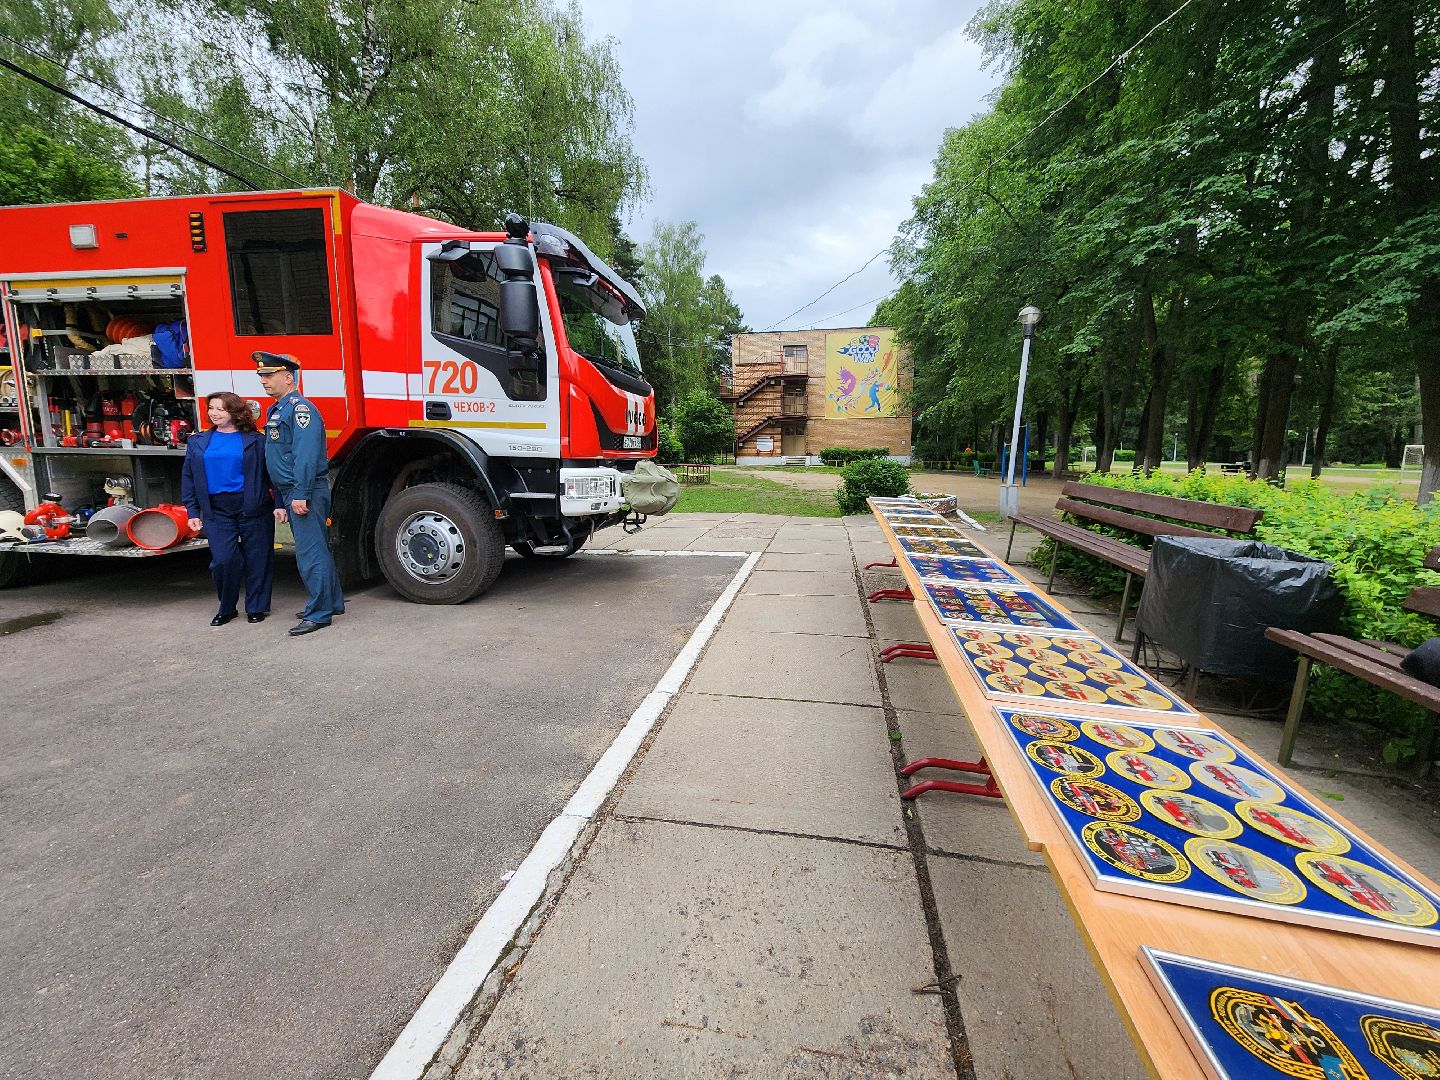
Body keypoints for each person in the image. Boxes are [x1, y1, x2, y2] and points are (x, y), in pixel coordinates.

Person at [253, 351, 345, 636]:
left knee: (309, 553)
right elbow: (279, 458)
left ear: (288, 378)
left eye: (269, 375)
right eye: (262, 376)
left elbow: (305, 457)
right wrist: (282, 498)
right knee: (316, 548)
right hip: (292, 490)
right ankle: (332, 603)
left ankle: (319, 613)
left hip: (305, 490)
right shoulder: (277, 409)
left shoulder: (300, 409)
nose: (264, 381)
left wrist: (300, 494)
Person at [180, 391, 275, 625]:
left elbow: (271, 475)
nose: (214, 413)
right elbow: (189, 478)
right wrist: (193, 512)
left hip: (253, 506)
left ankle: (257, 606)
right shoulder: (198, 442)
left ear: (235, 412)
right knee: (224, 560)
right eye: (211, 408)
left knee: (258, 558)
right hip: (216, 510)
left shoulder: (256, 440)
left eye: (220, 409)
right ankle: (227, 607)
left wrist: (280, 504)